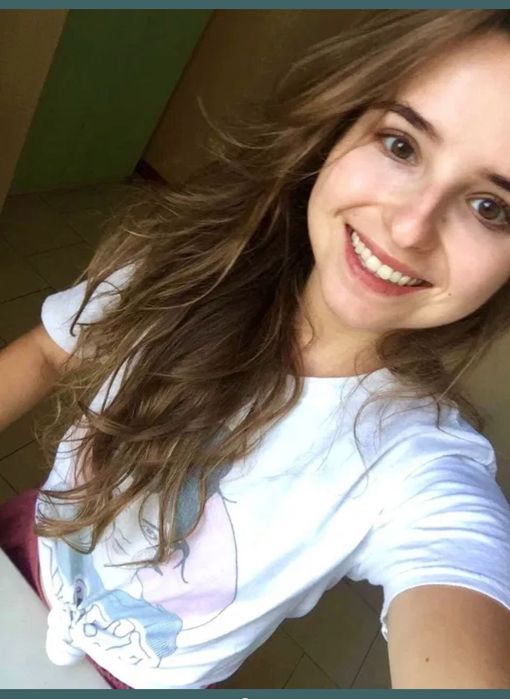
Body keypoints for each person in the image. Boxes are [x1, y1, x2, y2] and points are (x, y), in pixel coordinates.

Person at [1, 8, 510, 690]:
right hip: (26, 548)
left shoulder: (420, 466)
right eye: (400, 145)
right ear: (339, 129)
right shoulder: (182, 264)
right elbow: (46, 352)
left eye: (490, 207)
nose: (411, 227)